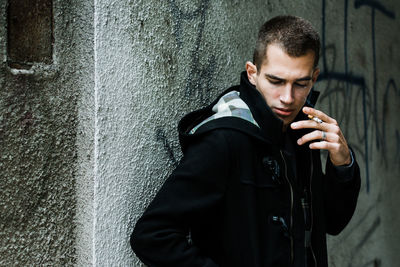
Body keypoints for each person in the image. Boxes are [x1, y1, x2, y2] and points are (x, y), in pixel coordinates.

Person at [130, 15, 361, 267]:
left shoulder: (302, 130)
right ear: (253, 73)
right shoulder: (224, 139)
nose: (287, 97)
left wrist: (343, 165)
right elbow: (151, 236)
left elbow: (333, 222)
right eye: (276, 81)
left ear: (314, 78)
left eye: (300, 84)